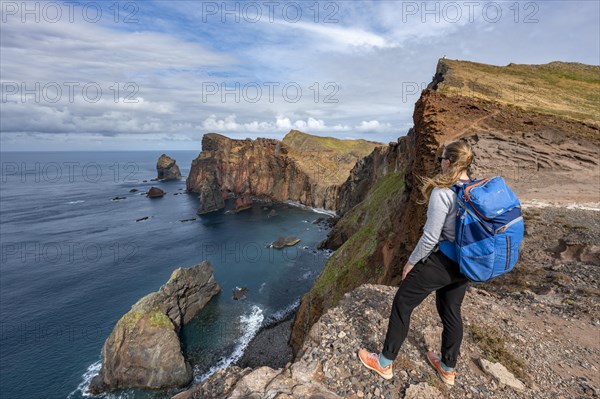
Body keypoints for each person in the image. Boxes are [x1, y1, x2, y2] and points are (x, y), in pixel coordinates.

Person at [358, 140, 475, 386]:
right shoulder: (475, 189)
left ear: (449, 162)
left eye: (442, 157)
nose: (439, 161)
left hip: (444, 261)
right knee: (451, 312)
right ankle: (447, 368)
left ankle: (384, 362)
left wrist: (412, 262)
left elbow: (431, 237)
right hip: (466, 264)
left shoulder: (443, 193)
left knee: (402, 302)